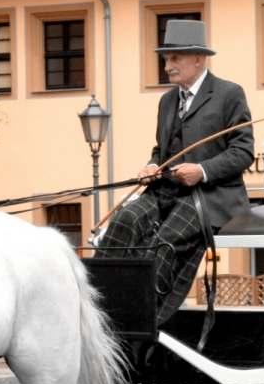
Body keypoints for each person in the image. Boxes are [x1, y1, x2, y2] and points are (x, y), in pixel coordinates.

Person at [96, 20, 254, 324]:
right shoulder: (167, 101)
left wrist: (202, 170)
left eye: (175, 58)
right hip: (165, 190)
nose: (168, 66)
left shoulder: (229, 94)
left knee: (165, 240)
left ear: (198, 58)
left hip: (210, 195)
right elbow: (162, 149)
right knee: (125, 220)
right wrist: (153, 165)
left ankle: (143, 316)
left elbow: (243, 151)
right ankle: (100, 304)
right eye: (167, 58)